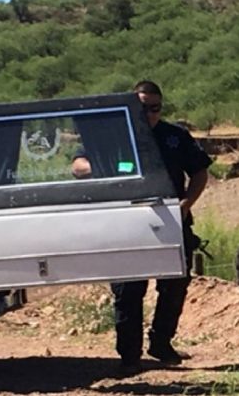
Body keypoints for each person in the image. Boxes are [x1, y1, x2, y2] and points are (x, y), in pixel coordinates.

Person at [73, 80, 212, 371]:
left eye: (155, 108)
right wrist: (104, 165)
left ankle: (161, 342)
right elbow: (78, 166)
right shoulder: (113, 136)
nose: (149, 113)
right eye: (142, 107)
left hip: (170, 221)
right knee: (128, 290)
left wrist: (186, 205)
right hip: (125, 224)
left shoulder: (175, 136)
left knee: (174, 286)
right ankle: (129, 355)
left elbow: (200, 170)